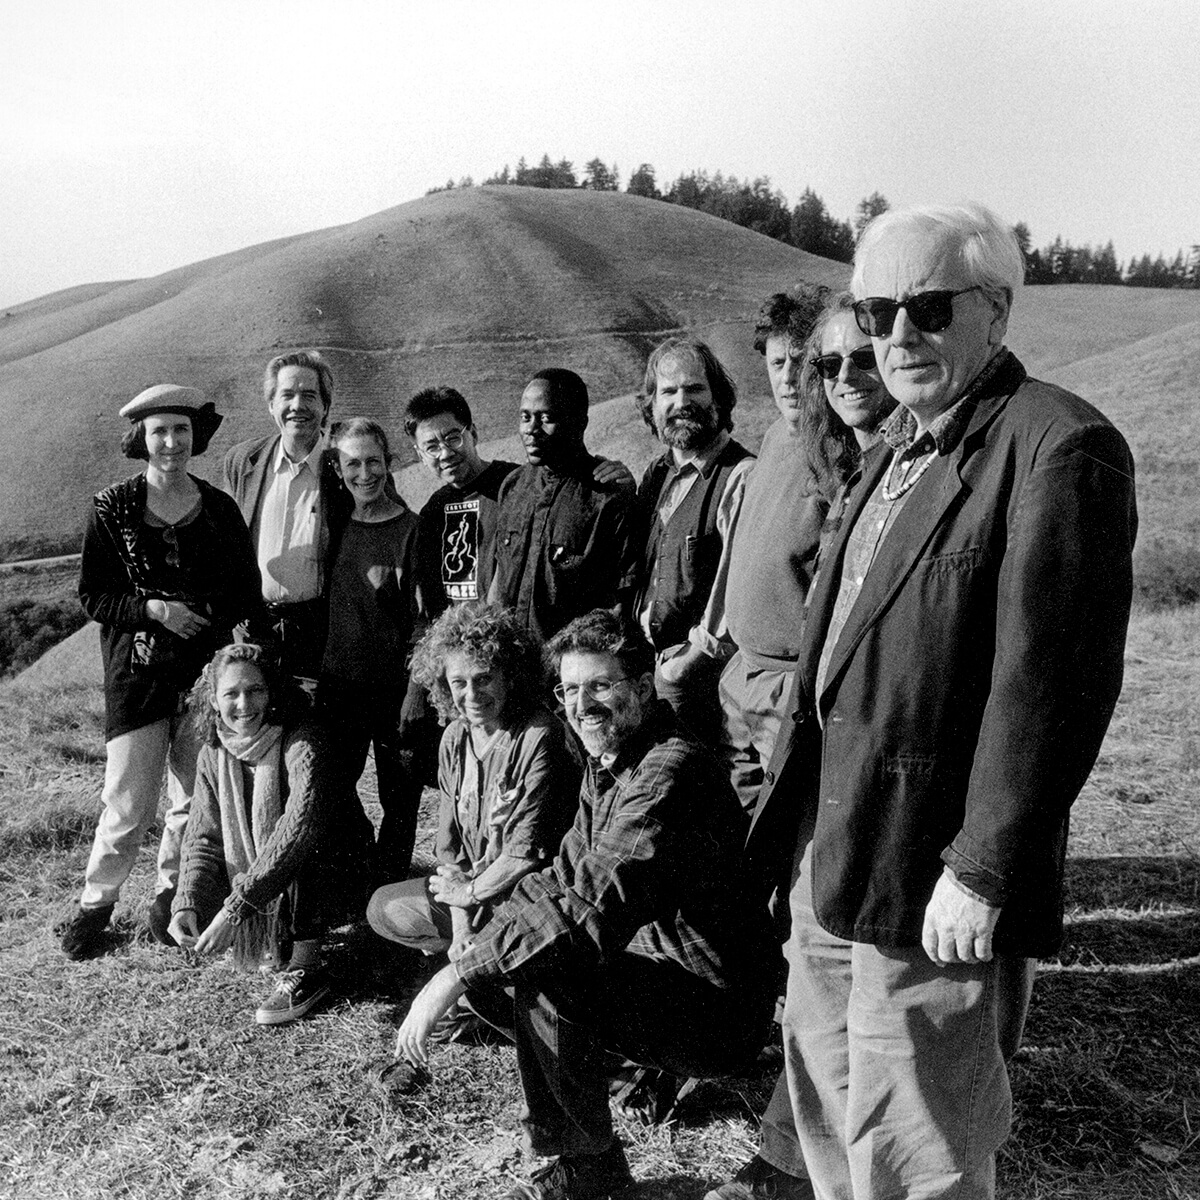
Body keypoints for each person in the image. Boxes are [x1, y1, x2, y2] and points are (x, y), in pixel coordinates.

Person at [709, 203, 1137, 1200]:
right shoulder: (896, 446)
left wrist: (983, 867)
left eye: (928, 308)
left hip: (925, 855)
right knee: (822, 1075)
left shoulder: (1057, 447)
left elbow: (1053, 686)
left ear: (995, 310)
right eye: (875, 312)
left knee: (917, 1127)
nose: (896, 336)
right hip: (831, 839)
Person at [394, 610, 777, 1200]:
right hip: (657, 976)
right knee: (504, 958)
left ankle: (586, 1175)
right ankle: (633, 1080)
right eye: (570, 690)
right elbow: (557, 879)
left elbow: (587, 904)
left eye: (600, 686)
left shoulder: (668, 771)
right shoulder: (611, 766)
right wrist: (472, 952)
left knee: (546, 975)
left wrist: (455, 972)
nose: (582, 704)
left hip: (716, 1006)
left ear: (643, 688)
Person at [61, 385, 260, 960]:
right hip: (137, 677)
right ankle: (96, 906)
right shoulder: (111, 508)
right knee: (126, 799)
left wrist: (226, 632)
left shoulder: (219, 508)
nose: (171, 442)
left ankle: (172, 900)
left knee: (190, 796)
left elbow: (244, 590)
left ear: (195, 436)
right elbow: (94, 596)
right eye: (159, 431)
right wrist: (153, 609)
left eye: (181, 430)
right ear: (141, 439)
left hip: (205, 681)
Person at [366, 602, 581, 971]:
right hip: (473, 893)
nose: (472, 694)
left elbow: (525, 855)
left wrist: (467, 894)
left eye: (484, 678)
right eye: (459, 683)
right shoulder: (453, 737)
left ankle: (490, 968)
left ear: (510, 675)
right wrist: (462, 924)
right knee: (383, 908)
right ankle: (472, 956)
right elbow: (450, 852)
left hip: (529, 897)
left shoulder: (538, 735)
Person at [169, 642, 375, 1025]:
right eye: (231, 693)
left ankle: (306, 965)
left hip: (333, 868)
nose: (244, 704)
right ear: (213, 700)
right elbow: (203, 836)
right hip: (264, 879)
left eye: (255, 690)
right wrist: (187, 900)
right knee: (164, 914)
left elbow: (299, 828)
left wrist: (235, 909)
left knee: (300, 844)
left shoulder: (302, 739)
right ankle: (275, 934)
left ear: (273, 692)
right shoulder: (211, 755)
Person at [716, 287, 854, 815]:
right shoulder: (775, 437)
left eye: (802, 361)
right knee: (741, 832)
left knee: (793, 825)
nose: (788, 377)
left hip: (789, 690)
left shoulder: (840, 452)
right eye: (777, 362)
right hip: (741, 675)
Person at [632, 337, 753, 740]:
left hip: (704, 682)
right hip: (652, 671)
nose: (681, 401)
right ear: (652, 405)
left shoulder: (738, 475)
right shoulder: (656, 476)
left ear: (718, 398)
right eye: (668, 391)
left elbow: (736, 588)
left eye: (694, 388)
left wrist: (683, 665)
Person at [318, 418, 421, 882]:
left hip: (395, 690)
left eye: (373, 461)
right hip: (339, 688)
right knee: (334, 790)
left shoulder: (411, 529)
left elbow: (424, 620)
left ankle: (390, 902)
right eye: (352, 463)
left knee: (399, 801)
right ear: (338, 469)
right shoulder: (330, 527)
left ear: (389, 462)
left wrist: (415, 693)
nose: (365, 473)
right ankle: (365, 873)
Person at [222, 350, 353, 686]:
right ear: (271, 405)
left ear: (325, 406)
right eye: (287, 395)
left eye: (309, 395)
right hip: (253, 631)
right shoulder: (242, 462)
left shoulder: (347, 467)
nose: (298, 405)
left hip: (320, 634)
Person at [489, 369, 638, 641]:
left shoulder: (608, 497)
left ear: (580, 422)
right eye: (525, 417)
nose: (532, 430)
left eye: (546, 418)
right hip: (512, 668)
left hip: (570, 672)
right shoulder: (513, 487)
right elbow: (499, 580)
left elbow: (619, 602)